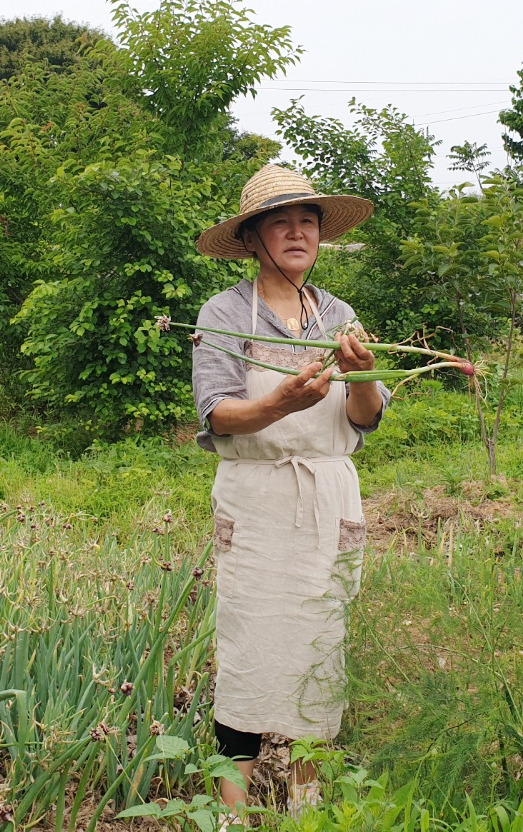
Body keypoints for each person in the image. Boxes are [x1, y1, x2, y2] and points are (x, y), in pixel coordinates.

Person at [192, 165, 390, 827]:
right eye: (280, 222)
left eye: (307, 221)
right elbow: (218, 414)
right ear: (252, 238)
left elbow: (365, 418)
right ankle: (229, 816)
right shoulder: (224, 314)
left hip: (328, 502)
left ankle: (307, 808)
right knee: (248, 649)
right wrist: (276, 404)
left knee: (319, 650)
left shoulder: (338, 316)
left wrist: (363, 378)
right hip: (257, 502)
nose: (297, 232)